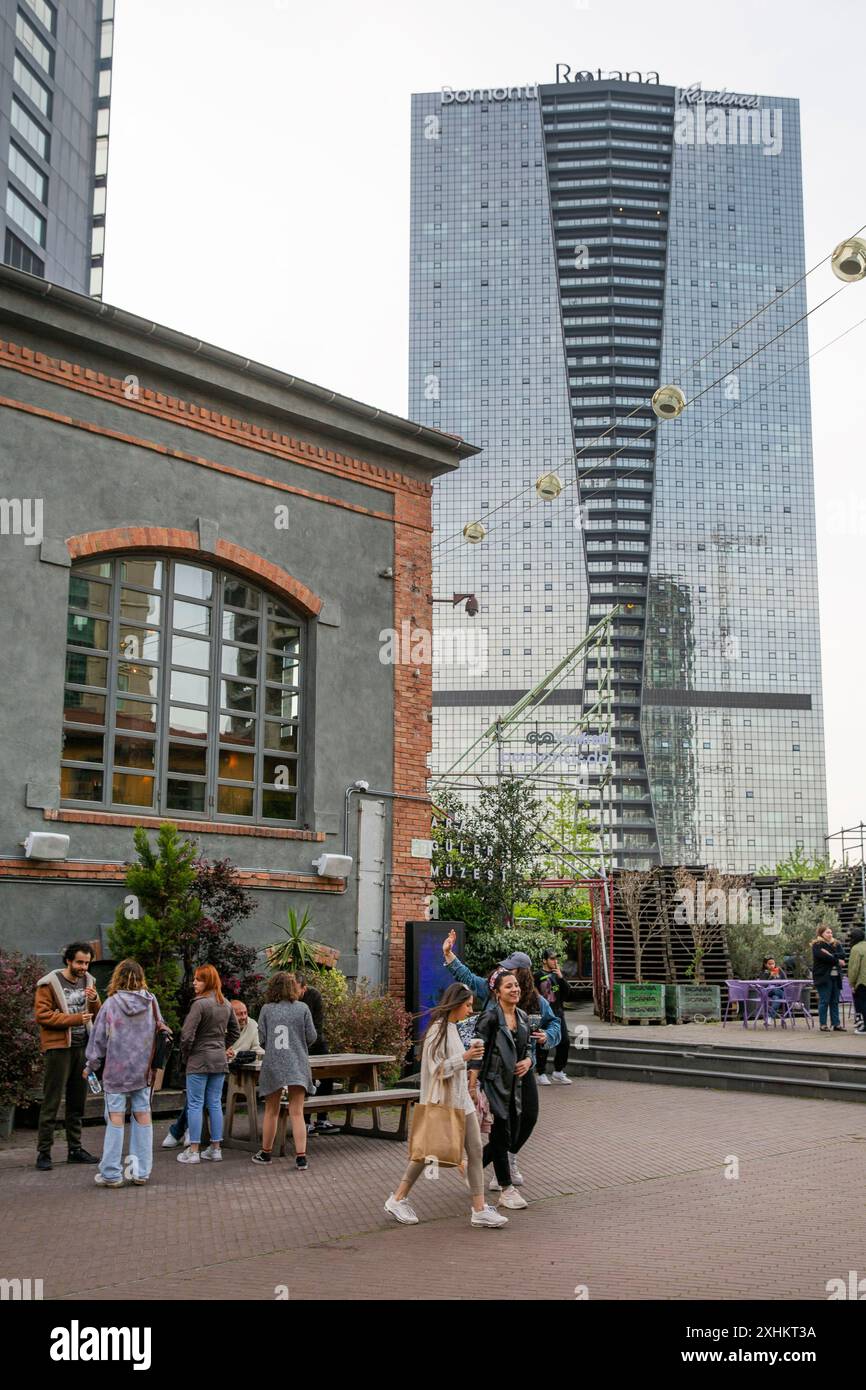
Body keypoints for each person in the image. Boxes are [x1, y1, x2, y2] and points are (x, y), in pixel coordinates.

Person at [384, 983, 508, 1229]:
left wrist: (468, 1063)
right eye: (468, 1005)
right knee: (425, 1152)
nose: (470, 1010)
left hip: (461, 1101)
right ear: (456, 1003)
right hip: (443, 1102)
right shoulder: (437, 1031)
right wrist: (465, 1057)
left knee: (475, 1151)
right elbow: (436, 1069)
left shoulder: (452, 1028)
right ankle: (397, 1198)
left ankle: (479, 1208)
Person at [443, 931, 559, 1190]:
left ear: (523, 975)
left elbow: (555, 1026)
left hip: (522, 1067)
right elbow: (468, 978)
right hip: (494, 1069)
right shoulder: (492, 991)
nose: (507, 977)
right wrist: (449, 955)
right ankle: (502, 1178)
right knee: (500, 1122)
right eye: (505, 974)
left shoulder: (536, 1003)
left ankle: (502, 1159)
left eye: (512, 973)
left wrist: (545, 1039)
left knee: (527, 1117)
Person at [84, 959, 170, 1188]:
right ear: (141, 977)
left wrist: (90, 1066)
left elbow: (99, 1039)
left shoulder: (111, 1004)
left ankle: (112, 1173)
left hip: (116, 1072)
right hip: (142, 1073)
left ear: (117, 977)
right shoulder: (151, 1002)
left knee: (115, 1120)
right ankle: (141, 1171)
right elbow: (160, 1028)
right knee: (143, 1117)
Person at [33, 942, 102, 1171]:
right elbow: (42, 1015)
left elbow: (97, 1014)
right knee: (52, 1101)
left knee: (77, 1101)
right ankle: (44, 1153)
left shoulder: (89, 981)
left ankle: (75, 1149)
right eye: (80, 962)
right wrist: (73, 1020)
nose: (83, 967)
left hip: (82, 1048)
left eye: (87, 963)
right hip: (59, 1048)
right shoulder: (49, 983)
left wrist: (94, 1000)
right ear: (69, 961)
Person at [469, 971, 532, 1212]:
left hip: (514, 1082)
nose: (515, 989)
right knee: (500, 1133)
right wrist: (473, 1083)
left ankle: (473, 1167)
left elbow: (527, 1051)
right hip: (493, 1081)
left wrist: (528, 1062)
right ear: (497, 992)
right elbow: (477, 1047)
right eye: (508, 986)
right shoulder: (490, 1016)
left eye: (516, 985)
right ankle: (506, 1189)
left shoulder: (523, 1017)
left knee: (514, 1129)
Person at [164, 996, 262, 1149]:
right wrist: (223, 1051)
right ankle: (196, 1136)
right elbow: (214, 1045)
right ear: (231, 1015)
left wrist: (235, 1053)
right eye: (239, 1014)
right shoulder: (221, 1025)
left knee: (202, 1098)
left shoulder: (252, 1025)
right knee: (200, 1097)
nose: (243, 1017)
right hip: (216, 1066)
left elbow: (256, 1048)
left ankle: (181, 1132)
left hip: (236, 1070)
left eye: (245, 1013)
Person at [253, 972, 317, 1170]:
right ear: (292, 988)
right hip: (297, 1062)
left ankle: (266, 1153)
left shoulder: (266, 1009)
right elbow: (312, 1036)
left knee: (271, 1111)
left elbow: (262, 1039)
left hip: (273, 1064)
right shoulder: (303, 1008)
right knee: (297, 1111)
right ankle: (301, 1157)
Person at [177, 965, 240, 1164]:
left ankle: (194, 1150)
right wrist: (223, 1046)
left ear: (208, 982)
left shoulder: (199, 1004)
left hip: (199, 1058)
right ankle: (215, 1148)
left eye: (198, 979)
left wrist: (187, 1054)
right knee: (214, 1103)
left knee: (195, 1104)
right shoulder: (226, 1004)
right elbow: (236, 1031)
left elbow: (187, 1035)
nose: (194, 982)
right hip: (219, 1059)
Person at [296, 973, 338, 1135]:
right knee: (307, 1079)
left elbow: (317, 1023)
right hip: (298, 1043)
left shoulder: (314, 995)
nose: (294, 992)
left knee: (329, 1074)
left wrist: (312, 1041)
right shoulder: (289, 998)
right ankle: (305, 1121)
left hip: (316, 1040)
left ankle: (322, 1118)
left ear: (303, 988)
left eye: (297, 990)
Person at [535, 948, 572, 1085]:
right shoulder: (537, 975)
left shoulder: (558, 975)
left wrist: (561, 978)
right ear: (544, 960)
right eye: (552, 958)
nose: (555, 961)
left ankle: (558, 1071)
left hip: (558, 1013)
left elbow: (568, 993)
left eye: (556, 958)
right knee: (544, 1043)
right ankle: (541, 1073)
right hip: (543, 1014)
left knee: (565, 1041)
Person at [811, 925, 847, 1032]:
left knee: (835, 1001)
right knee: (824, 1001)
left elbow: (843, 955)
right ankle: (823, 1024)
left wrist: (831, 955)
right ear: (821, 933)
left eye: (831, 932)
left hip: (836, 977)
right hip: (823, 977)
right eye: (827, 932)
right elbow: (823, 957)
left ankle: (836, 1024)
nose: (830, 934)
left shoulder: (836, 943)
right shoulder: (817, 944)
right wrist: (837, 960)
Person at [847, 929, 866, 1035]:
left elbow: (854, 968)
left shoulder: (856, 949)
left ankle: (865, 1027)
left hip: (862, 981)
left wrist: (852, 983)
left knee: (863, 1004)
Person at [758, 956, 787, 1021]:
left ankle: (769, 1017)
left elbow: (785, 981)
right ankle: (791, 1002)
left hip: (778, 991)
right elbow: (763, 985)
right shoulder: (763, 972)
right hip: (767, 992)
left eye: (773, 963)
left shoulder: (779, 970)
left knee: (776, 998)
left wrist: (778, 978)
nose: (772, 965)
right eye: (769, 964)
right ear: (765, 964)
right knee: (774, 990)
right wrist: (771, 976)